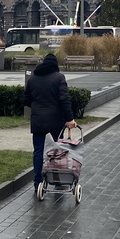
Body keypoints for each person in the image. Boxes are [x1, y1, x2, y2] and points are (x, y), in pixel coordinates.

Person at [23, 53, 78, 194]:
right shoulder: (59, 78)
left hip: (38, 120)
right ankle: (57, 179)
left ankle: (38, 183)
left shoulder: (33, 79)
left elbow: (26, 100)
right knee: (56, 151)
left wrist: (37, 106)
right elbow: (64, 99)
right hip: (56, 121)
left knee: (38, 151)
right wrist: (70, 119)